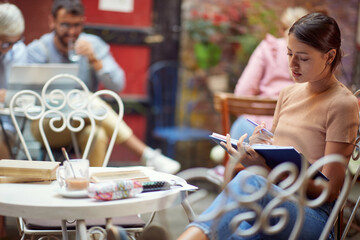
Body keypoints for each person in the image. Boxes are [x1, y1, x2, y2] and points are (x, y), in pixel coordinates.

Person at [178, 12, 359, 240]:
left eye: (303, 58)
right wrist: (258, 149)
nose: (292, 64)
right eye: (289, 53)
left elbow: (330, 192)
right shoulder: (288, 94)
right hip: (275, 207)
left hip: (313, 217)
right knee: (237, 234)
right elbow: (281, 153)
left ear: (329, 56)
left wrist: (268, 171)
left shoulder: (342, 104)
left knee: (248, 181)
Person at [26, 0, 180, 173]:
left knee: (96, 133)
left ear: (83, 22)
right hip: (47, 124)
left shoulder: (93, 45)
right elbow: (26, 96)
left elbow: (118, 84)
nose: (71, 31)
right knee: (86, 98)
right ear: (52, 21)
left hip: (83, 120)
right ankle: (147, 155)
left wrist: (95, 60)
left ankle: (91, 186)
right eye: (65, 25)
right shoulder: (38, 50)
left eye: (77, 25)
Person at [230, 7, 308, 141]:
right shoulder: (313, 56)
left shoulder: (268, 48)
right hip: (297, 132)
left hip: (256, 128)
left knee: (241, 129)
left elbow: (243, 92)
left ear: (282, 29)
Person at [0, 3, 27, 239]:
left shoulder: (17, 50)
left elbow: (19, 95)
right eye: (4, 43)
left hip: (10, 123)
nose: (7, 49)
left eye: (13, 43)